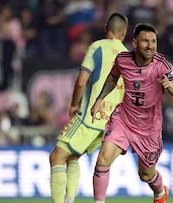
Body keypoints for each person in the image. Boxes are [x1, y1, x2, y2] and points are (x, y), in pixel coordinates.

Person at [90, 23, 173, 203]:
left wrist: (171, 86)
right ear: (134, 43)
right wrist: (100, 99)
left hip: (149, 129)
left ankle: (160, 193)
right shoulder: (122, 60)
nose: (150, 46)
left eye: (153, 41)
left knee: (146, 174)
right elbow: (113, 77)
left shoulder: (162, 64)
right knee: (103, 158)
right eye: (145, 41)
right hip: (123, 119)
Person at [49, 12, 129, 203]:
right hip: (111, 125)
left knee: (56, 157)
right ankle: (69, 198)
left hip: (90, 118)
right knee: (73, 156)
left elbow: (81, 82)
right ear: (124, 33)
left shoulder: (98, 46)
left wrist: (74, 105)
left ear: (105, 28)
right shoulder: (128, 56)